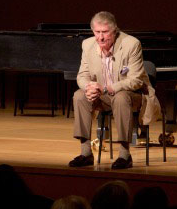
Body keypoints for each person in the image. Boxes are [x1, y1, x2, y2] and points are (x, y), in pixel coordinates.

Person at [69, 11, 160, 169]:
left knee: (120, 97)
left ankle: (125, 155)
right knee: (79, 96)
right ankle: (85, 153)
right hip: (103, 96)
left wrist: (106, 87)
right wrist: (88, 87)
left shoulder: (131, 44)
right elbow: (82, 76)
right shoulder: (88, 45)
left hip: (133, 96)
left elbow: (136, 80)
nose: (101, 37)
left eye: (105, 32)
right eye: (97, 32)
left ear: (115, 31)